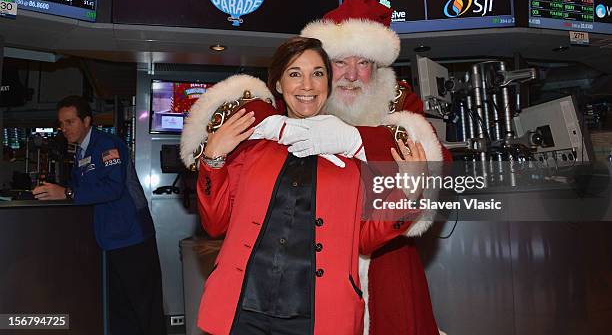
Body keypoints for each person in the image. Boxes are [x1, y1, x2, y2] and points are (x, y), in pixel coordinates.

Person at [183, 37, 429, 335]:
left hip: (319, 313)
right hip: (243, 307)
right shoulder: (252, 146)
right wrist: (213, 158)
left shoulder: (352, 153)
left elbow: (366, 238)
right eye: (295, 74)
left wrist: (410, 193)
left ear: (328, 82)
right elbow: (215, 222)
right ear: (278, 84)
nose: (307, 85)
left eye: (318, 73)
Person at [300, 0, 449, 335]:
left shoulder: (404, 106)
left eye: (363, 62)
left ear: (377, 68)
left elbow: (434, 169)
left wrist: (353, 140)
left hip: (387, 260)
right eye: (341, 62)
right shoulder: (302, 103)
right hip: (317, 264)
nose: (352, 75)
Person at [32, 95, 166, 335]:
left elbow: (113, 189)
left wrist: (67, 192)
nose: (64, 129)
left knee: (145, 306)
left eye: (70, 122)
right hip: (108, 241)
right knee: (119, 309)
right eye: (61, 124)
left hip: (132, 238)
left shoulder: (107, 144)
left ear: (86, 121)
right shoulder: (80, 153)